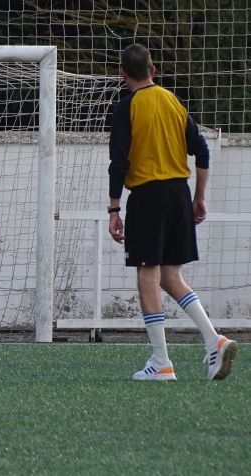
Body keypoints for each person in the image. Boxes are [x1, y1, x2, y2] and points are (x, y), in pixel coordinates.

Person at [108, 44, 238, 381]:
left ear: (123, 75)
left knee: (146, 274)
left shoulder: (127, 108)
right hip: (179, 194)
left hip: (148, 196)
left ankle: (161, 361)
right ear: (153, 71)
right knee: (170, 276)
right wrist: (200, 197)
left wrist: (113, 209)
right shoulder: (173, 102)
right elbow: (202, 151)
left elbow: (119, 162)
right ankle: (214, 339)